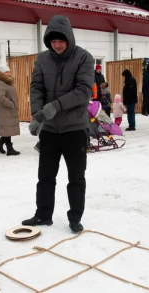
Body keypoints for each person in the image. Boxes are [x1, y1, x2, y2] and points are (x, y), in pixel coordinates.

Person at [23, 15, 94, 234]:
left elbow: (83, 90)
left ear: (69, 38)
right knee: (45, 176)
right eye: (53, 41)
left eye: (61, 40)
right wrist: (37, 115)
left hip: (75, 129)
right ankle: (43, 215)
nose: (57, 45)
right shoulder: (42, 60)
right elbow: (36, 88)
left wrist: (55, 105)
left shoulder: (84, 58)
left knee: (76, 177)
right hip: (50, 131)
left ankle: (75, 217)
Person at [0, 65, 20, 156]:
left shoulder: (7, 83)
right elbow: (1, 97)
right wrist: (11, 104)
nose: (8, 73)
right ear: (1, 74)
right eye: (6, 72)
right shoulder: (0, 83)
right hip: (5, 111)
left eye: (9, 72)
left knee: (8, 130)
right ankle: (9, 149)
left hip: (9, 111)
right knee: (7, 130)